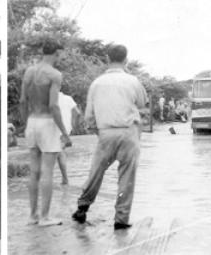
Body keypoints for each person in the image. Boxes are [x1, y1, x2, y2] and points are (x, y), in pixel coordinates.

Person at [71, 44, 148, 230]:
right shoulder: (133, 81)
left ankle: (82, 207)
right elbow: (142, 104)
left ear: (107, 59)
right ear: (126, 60)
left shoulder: (96, 83)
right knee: (127, 176)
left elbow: (88, 115)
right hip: (129, 132)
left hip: (105, 133)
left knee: (96, 171)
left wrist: (98, 131)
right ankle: (121, 220)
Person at [20, 40, 71, 226]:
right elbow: (53, 105)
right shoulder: (54, 74)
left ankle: (32, 216)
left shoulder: (29, 72)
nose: (61, 58)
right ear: (56, 53)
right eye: (61, 55)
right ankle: (45, 217)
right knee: (48, 171)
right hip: (47, 122)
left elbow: (22, 101)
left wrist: (26, 123)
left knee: (34, 171)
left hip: (32, 122)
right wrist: (65, 132)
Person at [57, 91, 81, 185]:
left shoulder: (47, 98)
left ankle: (64, 180)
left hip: (53, 129)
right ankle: (65, 179)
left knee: (57, 153)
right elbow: (78, 113)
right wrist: (74, 125)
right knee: (61, 153)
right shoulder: (68, 98)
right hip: (66, 130)